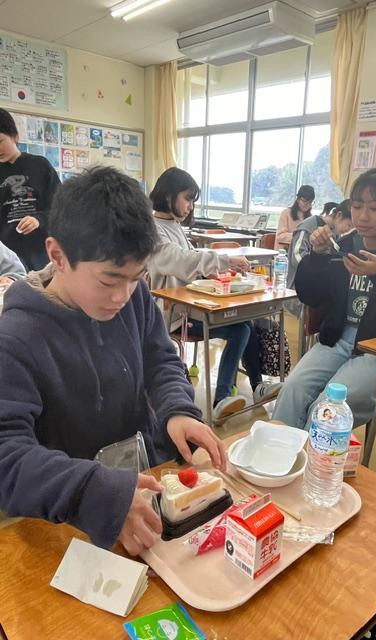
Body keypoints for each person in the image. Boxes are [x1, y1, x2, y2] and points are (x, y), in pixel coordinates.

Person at [0, 166, 226, 557]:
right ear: (58, 255)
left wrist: (177, 409)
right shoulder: (16, 337)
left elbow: (161, 359)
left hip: (146, 483)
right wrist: (95, 494)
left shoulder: (134, 297)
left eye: (136, 277)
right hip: (71, 515)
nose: (123, 295)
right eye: (109, 281)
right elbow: (7, 457)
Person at [272, 167, 376, 430]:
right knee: (292, 389)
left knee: (326, 410)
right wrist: (317, 257)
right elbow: (310, 295)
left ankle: (313, 456)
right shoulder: (345, 246)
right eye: (357, 206)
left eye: (374, 208)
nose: (363, 216)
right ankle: (280, 452)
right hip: (337, 339)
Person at [147, 167, 282, 421]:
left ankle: (255, 387)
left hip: (192, 306)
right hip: (173, 314)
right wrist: (223, 261)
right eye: (187, 199)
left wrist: (219, 273)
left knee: (246, 322)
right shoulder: (151, 231)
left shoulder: (175, 226)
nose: (190, 206)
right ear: (168, 195)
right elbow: (182, 260)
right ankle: (223, 397)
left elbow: (192, 265)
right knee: (241, 329)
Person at [0, 108, 61, 270]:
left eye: (0, 141)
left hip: (42, 252)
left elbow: (60, 208)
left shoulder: (40, 165)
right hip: (8, 257)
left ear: (15, 136)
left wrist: (38, 219)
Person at [287, 199, 353, 291]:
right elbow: (296, 257)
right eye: (349, 225)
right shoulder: (308, 226)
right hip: (297, 289)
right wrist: (315, 270)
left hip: (319, 287)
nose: (349, 230)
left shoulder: (336, 233)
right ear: (339, 215)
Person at [274, 185, 315, 250]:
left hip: (302, 251)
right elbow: (280, 236)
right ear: (298, 199)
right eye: (304, 201)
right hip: (285, 251)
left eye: (310, 202)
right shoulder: (286, 213)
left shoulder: (310, 218)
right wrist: (300, 236)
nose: (307, 205)